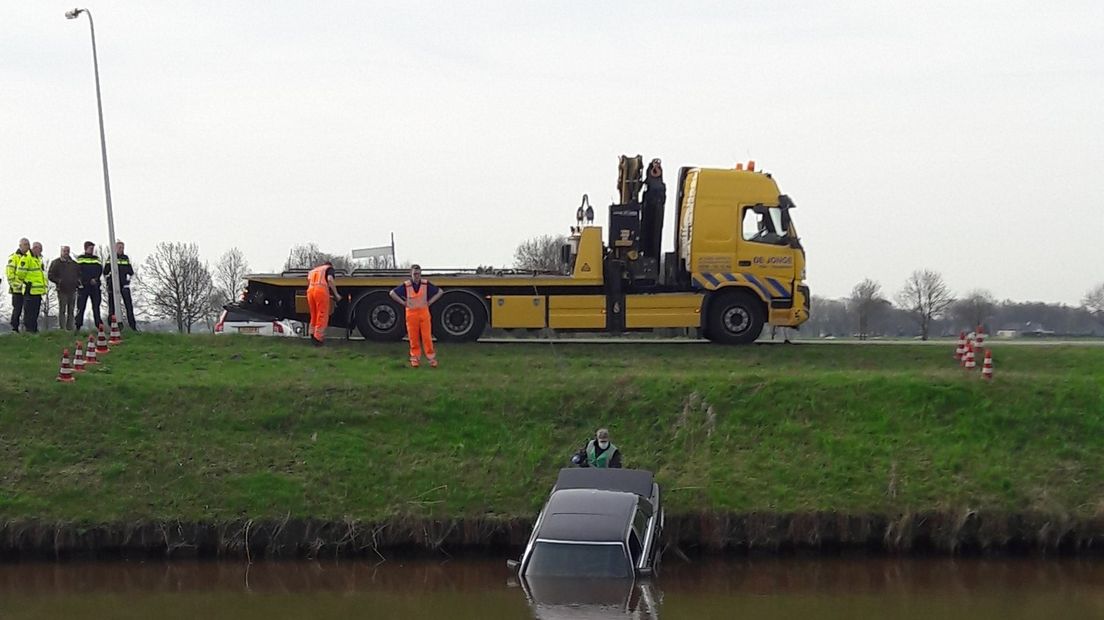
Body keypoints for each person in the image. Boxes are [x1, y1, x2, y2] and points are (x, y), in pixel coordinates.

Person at [389, 264, 443, 368]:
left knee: (427, 337)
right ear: (411, 274)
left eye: (418, 274)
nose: (416, 276)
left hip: (424, 313)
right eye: (414, 274)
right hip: (411, 314)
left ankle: (431, 359)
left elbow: (440, 292)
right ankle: (415, 359)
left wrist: (430, 302)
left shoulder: (425, 284)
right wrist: (403, 303)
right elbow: (392, 293)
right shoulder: (407, 285)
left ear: (421, 274)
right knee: (413, 338)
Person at [104, 240, 138, 330]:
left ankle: (132, 326)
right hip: (113, 286)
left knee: (129, 306)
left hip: (124, 286)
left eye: (122, 247)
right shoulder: (111, 258)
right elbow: (105, 271)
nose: (121, 249)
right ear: (115, 248)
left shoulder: (125, 258)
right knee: (112, 306)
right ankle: (112, 325)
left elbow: (130, 272)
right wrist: (109, 281)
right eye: (119, 247)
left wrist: (128, 279)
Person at [306, 260, 341, 345]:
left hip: (310, 291)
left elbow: (309, 280)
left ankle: (312, 334)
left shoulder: (315, 270)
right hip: (320, 291)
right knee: (322, 314)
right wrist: (336, 294)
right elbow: (330, 279)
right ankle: (318, 339)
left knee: (313, 314)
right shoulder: (329, 268)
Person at [48, 245, 81, 331]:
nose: (66, 253)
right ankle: (62, 328)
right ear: (61, 252)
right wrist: (58, 281)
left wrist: (77, 282)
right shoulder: (56, 263)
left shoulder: (74, 264)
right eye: (64, 251)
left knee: (71, 309)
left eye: (67, 251)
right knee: (62, 309)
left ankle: (70, 327)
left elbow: (79, 275)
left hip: (73, 289)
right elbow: (50, 275)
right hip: (62, 289)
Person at [16, 242, 46, 333]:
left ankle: (34, 329)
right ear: (35, 248)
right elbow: (20, 273)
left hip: (37, 291)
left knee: (35, 312)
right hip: (30, 290)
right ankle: (29, 330)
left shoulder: (37, 259)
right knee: (29, 312)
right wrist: (27, 282)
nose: (40, 252)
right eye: (40, 250)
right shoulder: (26, 258)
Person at [75, 241, 104, 331]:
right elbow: (78, 272)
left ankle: (99, 325)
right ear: (86, 248)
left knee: (96, 306)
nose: (92, 250)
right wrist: (87, 280)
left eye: (93, 248)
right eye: (90, 248)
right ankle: (78, 325)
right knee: (81, 306)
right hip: (84, 286)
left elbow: (99, 270)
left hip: (95, 286)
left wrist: (95, 279)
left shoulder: (96, 259)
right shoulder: (80, 258)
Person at [7, 238, 29, 332]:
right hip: (17, 289)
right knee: (17, 309)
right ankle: (14, 328)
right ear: (20, 246)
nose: (27, 247)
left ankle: (28, 328)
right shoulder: (14, 257)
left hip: (28, 288)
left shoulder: (30, 257)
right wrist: (16, 285)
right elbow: (10, 273)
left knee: (28, 309)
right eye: (25, 245)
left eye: (28, 244)